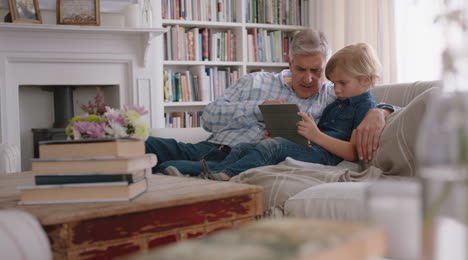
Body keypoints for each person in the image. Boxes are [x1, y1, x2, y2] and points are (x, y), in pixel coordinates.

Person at [145, 30, 394, 175]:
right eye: (301, 69)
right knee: (145, 144)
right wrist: (259, 109)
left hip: (250, 156)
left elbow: (368, 96)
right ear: (289, 63)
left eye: (316, 71)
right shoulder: (256, 81)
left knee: (167, 167)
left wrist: (380, 111)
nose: (309, 79)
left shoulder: (333, 92)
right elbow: (209, 118)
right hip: (210, 147)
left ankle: (206, 175)